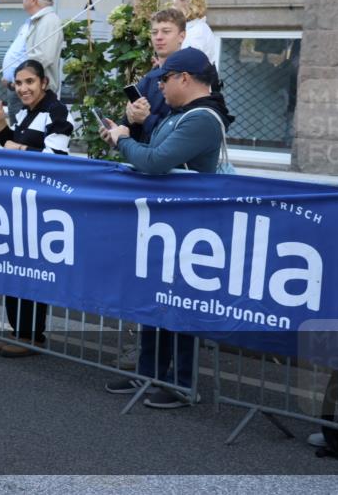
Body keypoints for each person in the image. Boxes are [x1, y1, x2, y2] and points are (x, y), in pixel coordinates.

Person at [101, 48, 232, 409]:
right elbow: (152, 152)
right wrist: (134, 130)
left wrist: (122, 139)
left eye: (164, 79)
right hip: (167, 225)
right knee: (153, 299)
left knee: (182, 305)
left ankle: (180, 383)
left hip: (191, 230)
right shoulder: (181, 115)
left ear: (184, 78)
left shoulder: (203, 117)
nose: (159, 86)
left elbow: (155, 162)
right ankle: (149, 373)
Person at [0, 59, 73, 357]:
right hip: (19, 201)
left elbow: (56, 155)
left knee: (31, 270)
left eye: (29, 82)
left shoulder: (56, 110)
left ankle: (33, 335)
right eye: (19, 83)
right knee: (14, 267)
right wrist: (0, 125)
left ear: (44, 83)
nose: (23, 88)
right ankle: (17, 330)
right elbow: (13, 146)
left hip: (42, 205)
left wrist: (20, 148)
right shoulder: (25, 112)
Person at [124, 8, 189, 143]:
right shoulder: (150, 78)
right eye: (154, 32)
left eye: (166, 32)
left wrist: (147, 118)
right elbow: (131, 126)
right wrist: (123, 125)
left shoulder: (188, 77)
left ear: (181, 36)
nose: (158, 37)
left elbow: (185, 131)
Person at [2, 0, 63, 120]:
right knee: (19, 131)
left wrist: (14, 80)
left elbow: (42, 58)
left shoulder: (49, 20)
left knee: (25, 136)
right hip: (22, 89)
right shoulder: (35, 20)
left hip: (30, 92)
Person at [172, 0, 218, 64]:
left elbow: (184, 65)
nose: (171, 10)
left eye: (175, 6)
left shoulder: (196, 34)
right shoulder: (195, 29)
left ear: (186, 9)